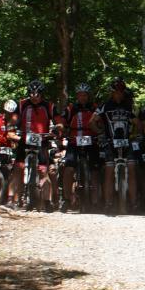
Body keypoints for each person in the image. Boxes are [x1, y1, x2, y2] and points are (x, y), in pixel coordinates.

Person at [94, 77, 139, 214]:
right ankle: (108, 204)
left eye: (121, 92)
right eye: (116, 92)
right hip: (110, 142)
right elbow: (92, 121)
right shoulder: (105, 105)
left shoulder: (128, 105)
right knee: (109, 172)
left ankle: (133, 203)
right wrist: (100, 133)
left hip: (126, 142)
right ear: (112, 92)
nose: (119, 94)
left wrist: (135, 134)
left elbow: (137, 123)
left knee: (131, 170)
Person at [14, 79, 55, 210]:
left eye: (36, 95)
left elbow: (58, 119)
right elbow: (14, 119)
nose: (34, 97)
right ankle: (16, 199)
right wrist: (11, 126)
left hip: (41, 140)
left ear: (41, 94)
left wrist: (58, 127)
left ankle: (47, 202)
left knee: (43, 170)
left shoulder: (48, 106)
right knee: (18, 167)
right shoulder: (22, 105)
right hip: (25, 139)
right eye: (31, 94)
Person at [61, 83, 99, 211]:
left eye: (85, 95)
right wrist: (62, 130)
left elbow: (101, 122)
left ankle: (95, 201)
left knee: (95, 170)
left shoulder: (95, 107)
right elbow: (63, 122)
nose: (82, 97)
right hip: (74, 141)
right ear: (77, 96)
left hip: (91, 141)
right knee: (68, 169)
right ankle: (66, 199)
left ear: (88, 96)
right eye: (80, 95)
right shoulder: (71, 108)